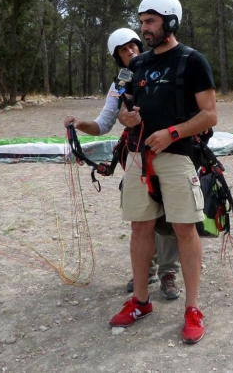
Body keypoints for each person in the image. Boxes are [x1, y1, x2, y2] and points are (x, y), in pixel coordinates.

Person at [109, 0, 217, 344]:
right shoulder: (137, 66)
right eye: (142, 22)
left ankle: (192, 308)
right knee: (140, 228)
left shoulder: (192, 61)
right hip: (139, 158)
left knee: (185, 231)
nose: (144, 29)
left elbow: (210, 115)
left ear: (170, 21)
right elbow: (127, 109)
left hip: (177, 158)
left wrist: (173, 133)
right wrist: (126, 117)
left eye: (150, 21)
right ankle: (141, 301)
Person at [62, 28, 182, 300]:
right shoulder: (119, 86)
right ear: (118, 57)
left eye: (133, 46)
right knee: (143, 218)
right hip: (138, 156)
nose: (131, 52)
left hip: (171, 151)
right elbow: (104, 123)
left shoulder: (164, 72)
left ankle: (168, 272)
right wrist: (80, 124)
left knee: (171, 216)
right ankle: (146, 270)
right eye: (124, 50)